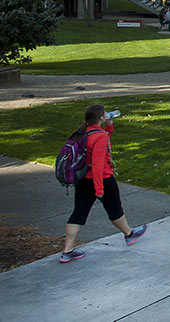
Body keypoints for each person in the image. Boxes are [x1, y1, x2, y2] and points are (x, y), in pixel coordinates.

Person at [59, 104, 147, 263]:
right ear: (100, 117)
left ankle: (67, 250)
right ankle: (129, 234)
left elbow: (102, 144)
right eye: (104, 113)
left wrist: (110, 126)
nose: (107, 114)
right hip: (102, 179)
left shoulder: (85, 133)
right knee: (114, 208)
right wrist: (99, 188)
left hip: (83, 180)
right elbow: (98, 163)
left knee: (79, 212)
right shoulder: (99, 137)